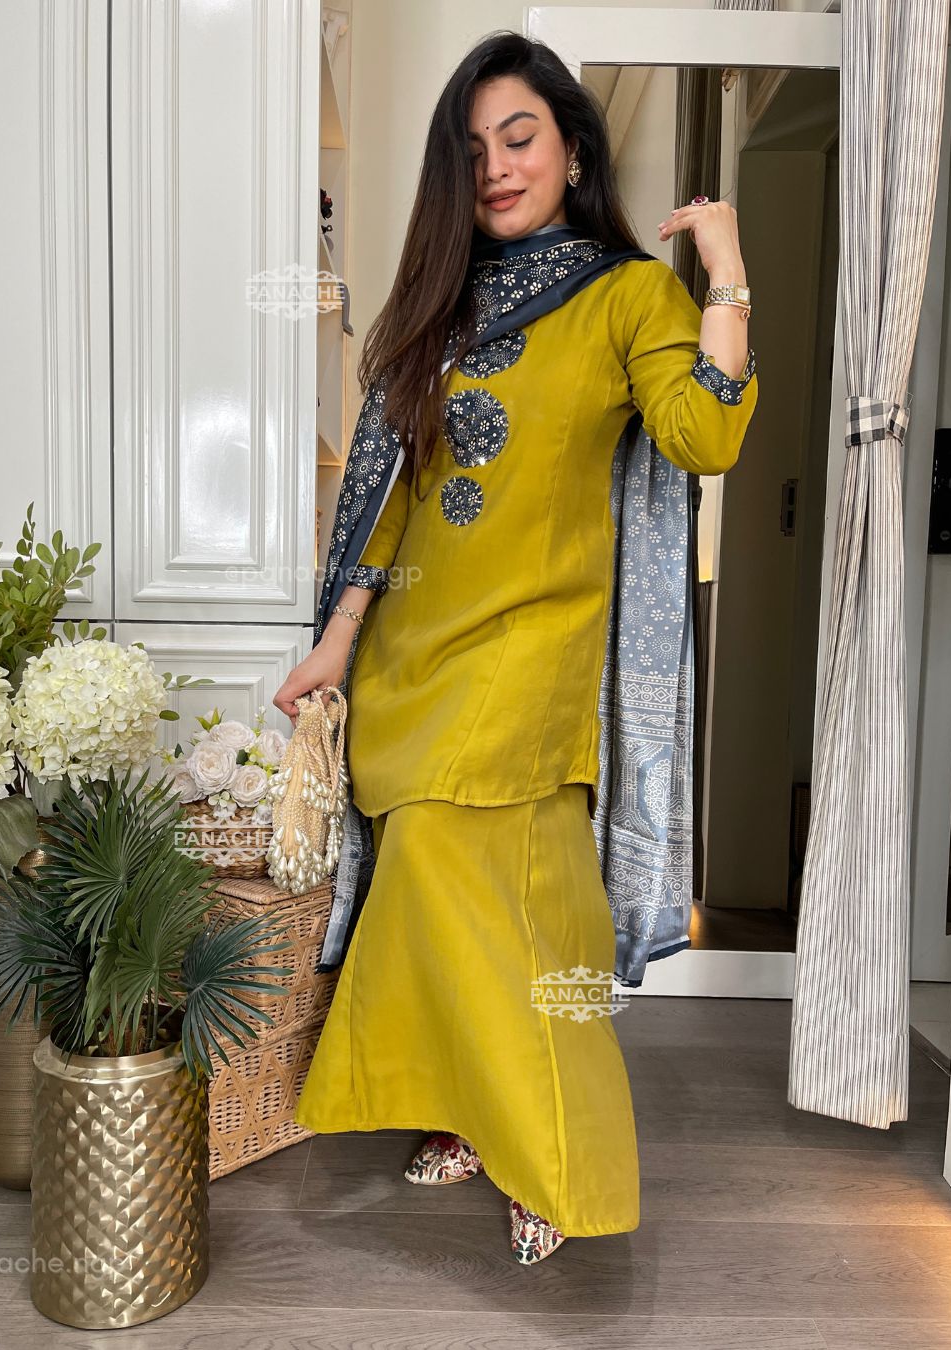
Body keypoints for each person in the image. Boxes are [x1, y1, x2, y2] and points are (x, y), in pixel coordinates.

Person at [274, 31, 759, 1266]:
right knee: (454, 910)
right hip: (411, 663)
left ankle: (558, 1159)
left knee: (524, 925)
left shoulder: (627, 295)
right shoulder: (439, 311)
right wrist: (338, 643)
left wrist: (725, 273)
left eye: (520, 136)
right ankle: (468, 1115)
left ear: (574, 151)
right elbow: (390, 502)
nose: (495, 165)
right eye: (474, 146)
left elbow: (704, 438)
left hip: (532, 664)